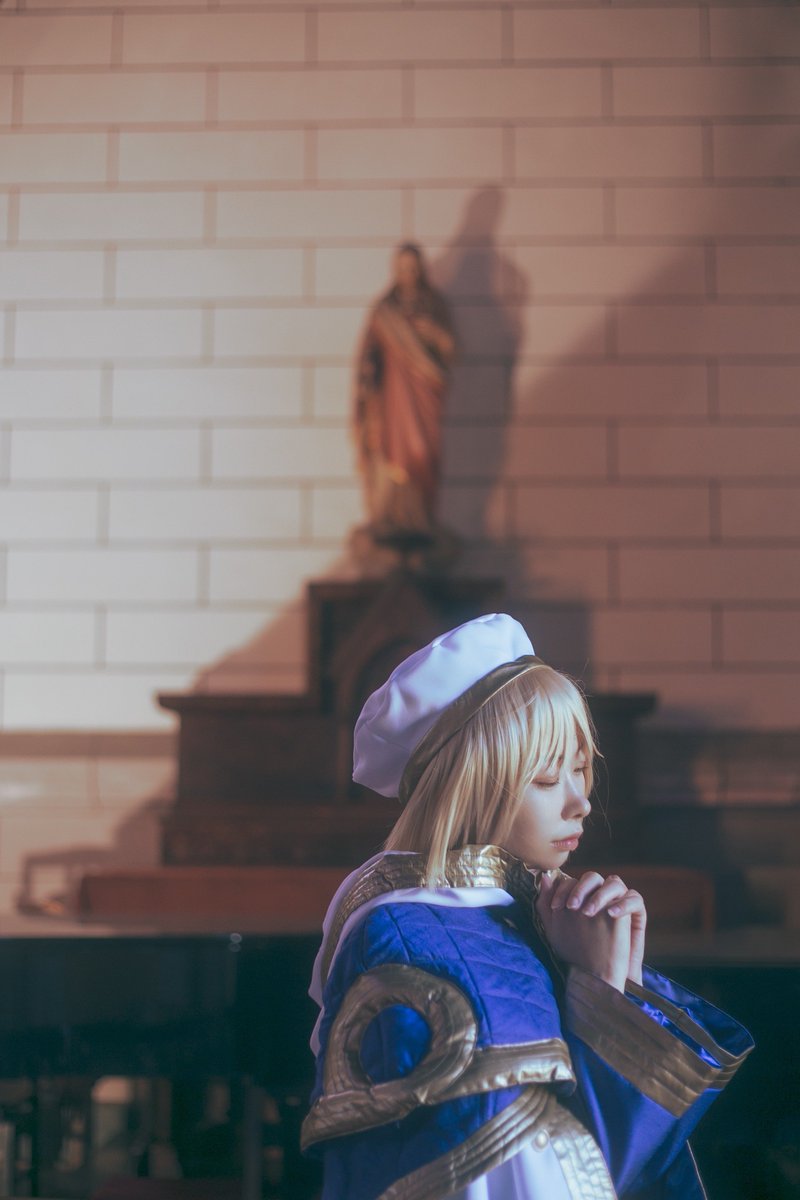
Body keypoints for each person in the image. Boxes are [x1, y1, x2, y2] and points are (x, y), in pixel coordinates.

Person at [302, 614, 753, 1200]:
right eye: (546, 779)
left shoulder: (527, 910)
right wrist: (600, 989)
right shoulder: (417, 941)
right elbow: (555, 1181)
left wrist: (613, 978)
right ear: (472, 785)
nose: (579, 802)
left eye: (581, 769)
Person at [354, 244, 455, 545]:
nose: (408, 274)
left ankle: (421, 517)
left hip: (424, 393)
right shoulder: (385, 311)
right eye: (402, 269)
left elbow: (451, 349)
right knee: (389, 450)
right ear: (395, 271)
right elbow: (368, 352)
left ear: (421, 270)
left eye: (413, 268)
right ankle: (388, 516)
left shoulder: (434, 306)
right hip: (392, 399)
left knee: (422, 452)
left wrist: (432, 333)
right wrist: (369, 374)